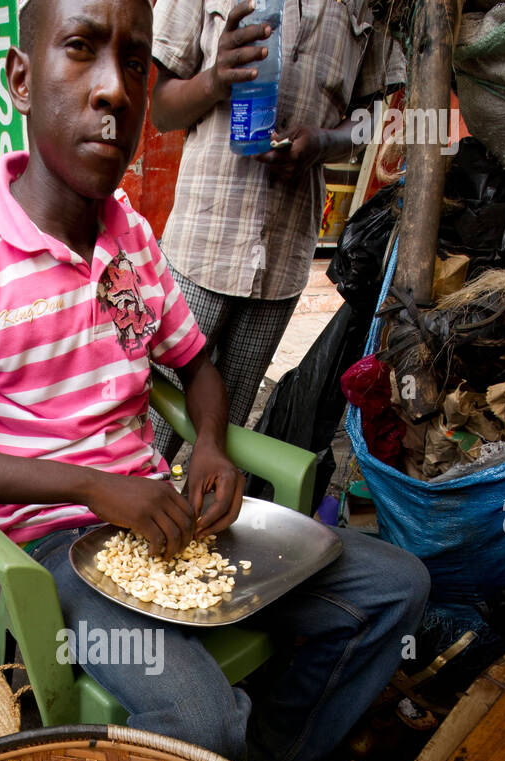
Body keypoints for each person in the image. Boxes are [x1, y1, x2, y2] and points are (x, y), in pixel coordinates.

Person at [0, 0, 429, 761]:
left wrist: (209, 443)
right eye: (80, 51)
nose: (114, 91)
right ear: (21, 80)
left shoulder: (127, 232)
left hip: (162, 512)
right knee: (202, 718)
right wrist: (93, 488)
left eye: (134, 63)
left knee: (397, 590)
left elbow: (196, 362)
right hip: (63, 544)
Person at [148, 0, 406, 466]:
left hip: (283, 261)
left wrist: (325, 142)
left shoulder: (372, 4)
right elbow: (161, 109)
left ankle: (200, 534)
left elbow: (371, 118)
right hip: (199, 249)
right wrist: (214, 79)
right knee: (152, 436)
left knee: (227, 438)